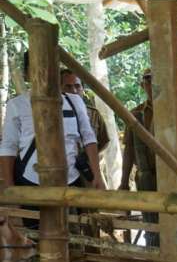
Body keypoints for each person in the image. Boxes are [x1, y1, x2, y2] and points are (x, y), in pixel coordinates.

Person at [0, 51, 105, 228]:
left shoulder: (74, 101)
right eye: (36, 69)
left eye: (50, 69)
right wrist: (11, 190)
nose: (44, 74)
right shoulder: (17, 105)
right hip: (30, 182)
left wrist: (97, 175)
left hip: (70, 179)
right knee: (34, 237)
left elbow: (89, 137)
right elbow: (8, 147)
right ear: (27, 74)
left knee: (74, 233)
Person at [120, 68, 159, 246]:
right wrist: (123, 181)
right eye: (148, 80)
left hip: (174, 178)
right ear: (143, 84)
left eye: (156, 79)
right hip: (146, 177)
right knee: (151, 227)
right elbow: (129, 149)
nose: (152, 84)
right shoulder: (136, 114)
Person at [60, 69, 110, 155]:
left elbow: (104, 141)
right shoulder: (52, 114)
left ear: (82, 89)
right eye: (68, 87)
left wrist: (89, 157)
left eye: (77, 86)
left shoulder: (94, 114)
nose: (74, 91)